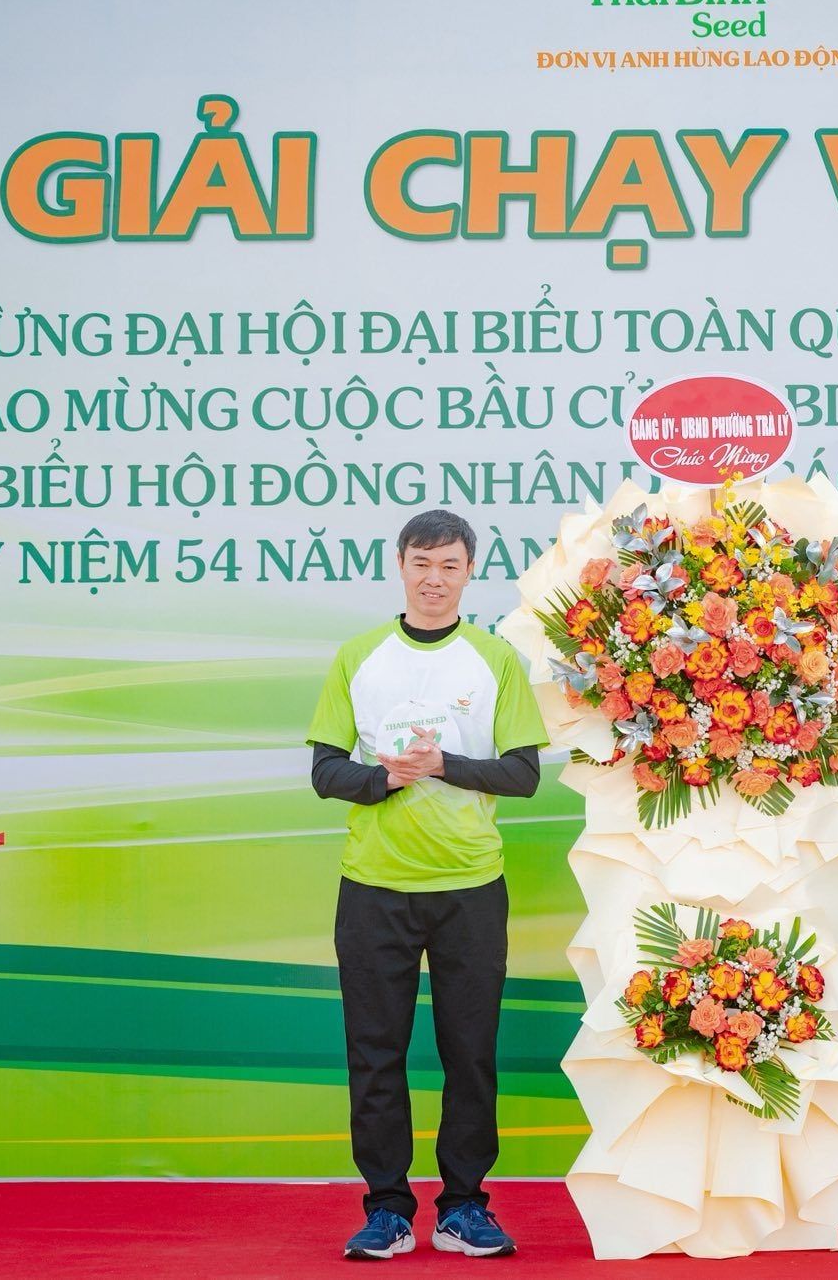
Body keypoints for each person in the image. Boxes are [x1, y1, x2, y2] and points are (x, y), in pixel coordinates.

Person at [306, 508, 549, 1261]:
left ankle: (464, 1207)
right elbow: (325, 771)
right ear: (401, 567)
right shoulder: (359, 657)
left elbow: (524, 774)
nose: (434, 579)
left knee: (469, 1053)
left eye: (449, 566)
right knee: (374, 1052)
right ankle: (385, 1209)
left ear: (469, 572)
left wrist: (444, 765)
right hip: (373, 885)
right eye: (421, 563)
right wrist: (383, 778)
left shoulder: (494, 659)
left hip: (470, 885)